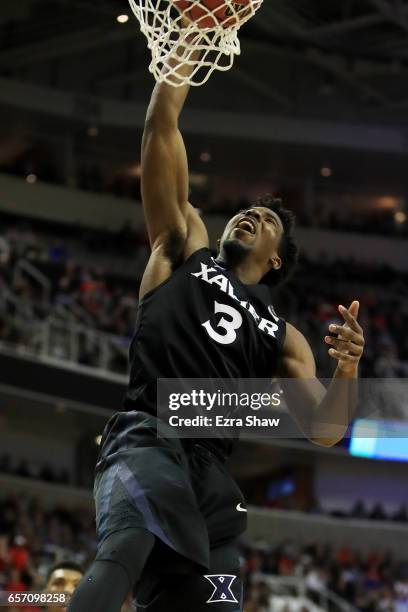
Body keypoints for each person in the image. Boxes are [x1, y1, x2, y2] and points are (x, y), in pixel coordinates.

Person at [68, 41, 365, 612]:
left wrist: (348, 367)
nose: (252, 213)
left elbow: (325, 429)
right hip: (149, 433)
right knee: (126, 550)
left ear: (277, 259)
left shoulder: (286, 337)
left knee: (214, 606)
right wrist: (185, 48)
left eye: (269, 218)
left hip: (211, 477)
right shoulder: (182, 246)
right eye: (249, 209)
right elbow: (161, 128)